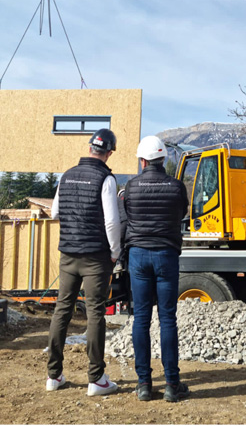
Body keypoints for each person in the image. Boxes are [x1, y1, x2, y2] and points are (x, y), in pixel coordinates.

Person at [46, 128, 121, 396]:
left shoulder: (66, 176)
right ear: (109, 152)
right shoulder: (106, 179)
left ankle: (53, 376)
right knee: (95, 313)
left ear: (90, 148)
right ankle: (96, 378)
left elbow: (55, 211)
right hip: (95, 257)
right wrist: (115, 252)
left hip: (68, 254)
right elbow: (111, 221)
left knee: (62, 311)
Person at [122, 135, 190, 403]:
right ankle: (172, 384)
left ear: (142, 161)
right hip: (166, 254)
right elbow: (181, 214)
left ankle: (144, 385)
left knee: (141, 318)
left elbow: (127, 214)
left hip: (138, 255)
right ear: (163, 159)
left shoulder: (131, 186)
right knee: (168, 319)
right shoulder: (176, 187)